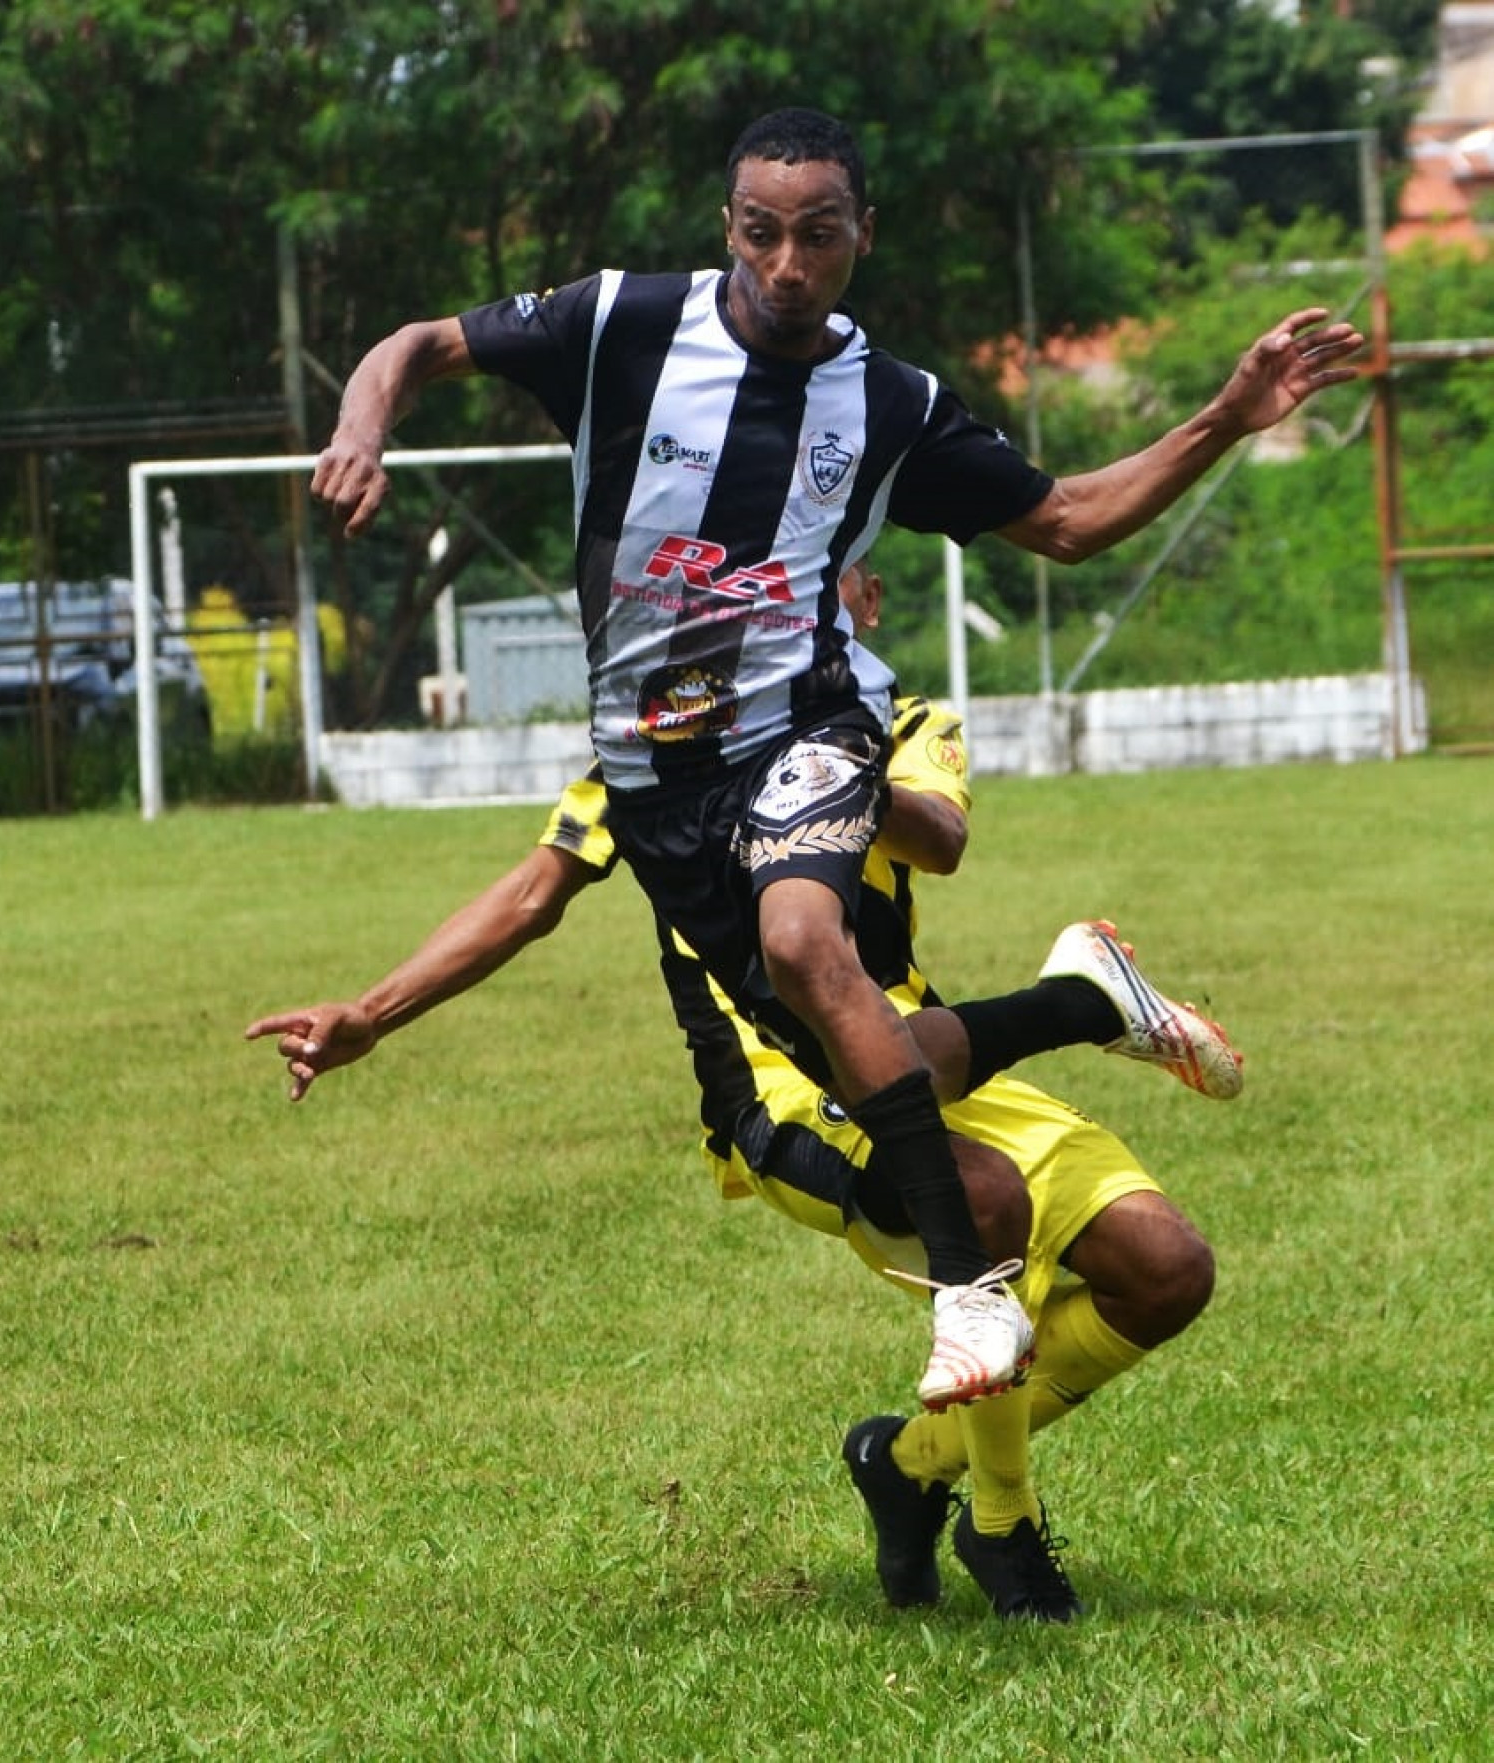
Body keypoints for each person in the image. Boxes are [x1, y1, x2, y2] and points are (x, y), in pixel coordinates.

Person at [308, 105, 1360, 1421]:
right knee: (876, 1044)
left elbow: (1066, 520)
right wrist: (362, 426)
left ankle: (971, 1286)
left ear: (862, 233)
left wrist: (1222, 413)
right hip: (658, 776)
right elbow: (417, 342)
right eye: (760, 233)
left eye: (816, 235)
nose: (786, 264)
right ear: (727, 229)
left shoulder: (891, 404)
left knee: (811, 941)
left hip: (809, 722)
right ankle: (1079, 1002)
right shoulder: (621, 323)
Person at [248, 565, 1233, 1621]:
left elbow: (938, 841)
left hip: (919, 1054)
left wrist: (820, 750)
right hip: (779, 1089)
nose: (803, 593)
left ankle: (904, 1463)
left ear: (865, 598)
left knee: (1166, 1268)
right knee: (981, 1198)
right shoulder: (655, 754)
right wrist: (372, 1010)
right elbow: (532, 893)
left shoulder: (909, 722)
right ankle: (1002, 1524)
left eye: (832, 570)